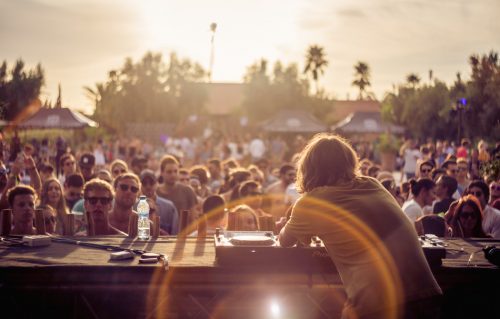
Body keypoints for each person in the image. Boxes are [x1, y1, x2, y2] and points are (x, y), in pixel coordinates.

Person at [279, 133, 442, 319]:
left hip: (380, 307)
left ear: (308, 168)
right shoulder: (373, 184)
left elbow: (285, 240)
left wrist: (287, 224)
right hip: (428, 296)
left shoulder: (311, 202)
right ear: (350, 162)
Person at [156, 155, 198, 230]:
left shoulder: (187, 191)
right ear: (162, 172)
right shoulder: (155, 192)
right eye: (169, 172)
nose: (173, 175)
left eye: (175, 171)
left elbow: (193, 220)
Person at [140, 169, 179, 235]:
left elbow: (175, 234)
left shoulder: (169, 207)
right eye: (144, 183)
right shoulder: (134, 207)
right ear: (140, 185)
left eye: (151, 183)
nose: (148, 186)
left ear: (157, 184)